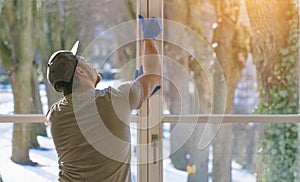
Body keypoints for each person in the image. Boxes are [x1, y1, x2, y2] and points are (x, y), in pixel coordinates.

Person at [46, 15, 162, 182]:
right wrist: (149, 38)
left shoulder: (55, 115)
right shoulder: (115, 100)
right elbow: (154, 74)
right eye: (84, 60)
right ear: (80, 71)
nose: (90, 63)